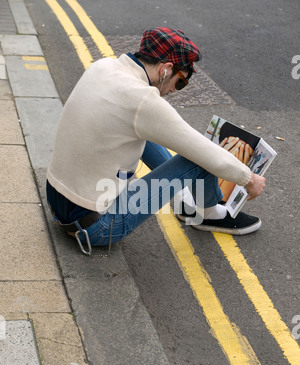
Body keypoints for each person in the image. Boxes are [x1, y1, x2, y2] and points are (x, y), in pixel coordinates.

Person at [46, 27, 266, 255]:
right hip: (96, 227)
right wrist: (248, 178)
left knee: (137, 129)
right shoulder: (142, 101)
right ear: (166, 69)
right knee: (199, 158)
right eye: (180, 82)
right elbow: (202, 151)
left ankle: (186, 199)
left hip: (58, 202)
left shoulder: (103, 66)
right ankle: (206, 214)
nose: (173, 90)